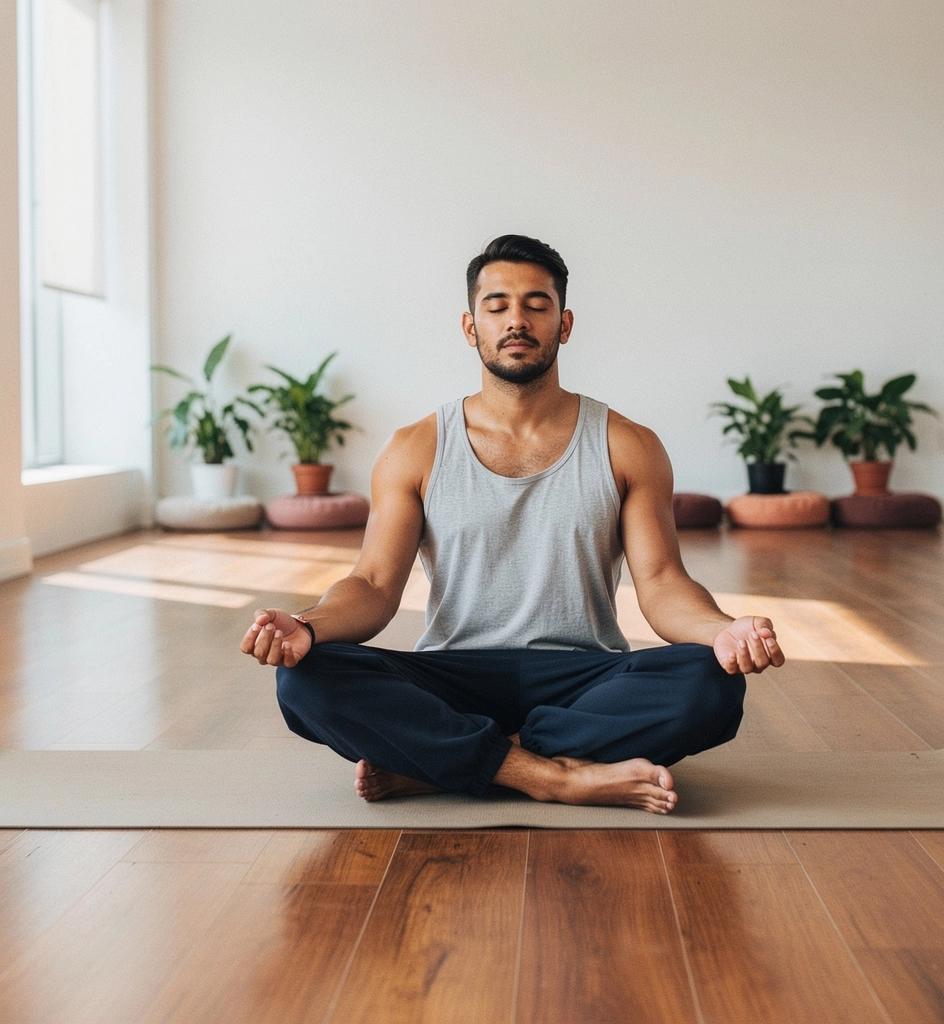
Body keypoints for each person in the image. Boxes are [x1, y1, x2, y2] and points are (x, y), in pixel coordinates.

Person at [240, 234, 785, 814]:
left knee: (710, 680)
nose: (516, 321)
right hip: (453, 672)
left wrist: (721, 630)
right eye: (497, 306)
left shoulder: (629, 444)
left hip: (583, 675)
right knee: (305, 677)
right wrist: (309, 625)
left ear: (565, 323)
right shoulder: (415, 448)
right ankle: (556, 777)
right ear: (470, 326)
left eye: (536, 304)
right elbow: (373, 585)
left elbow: (662, 583)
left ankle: (448, 764)